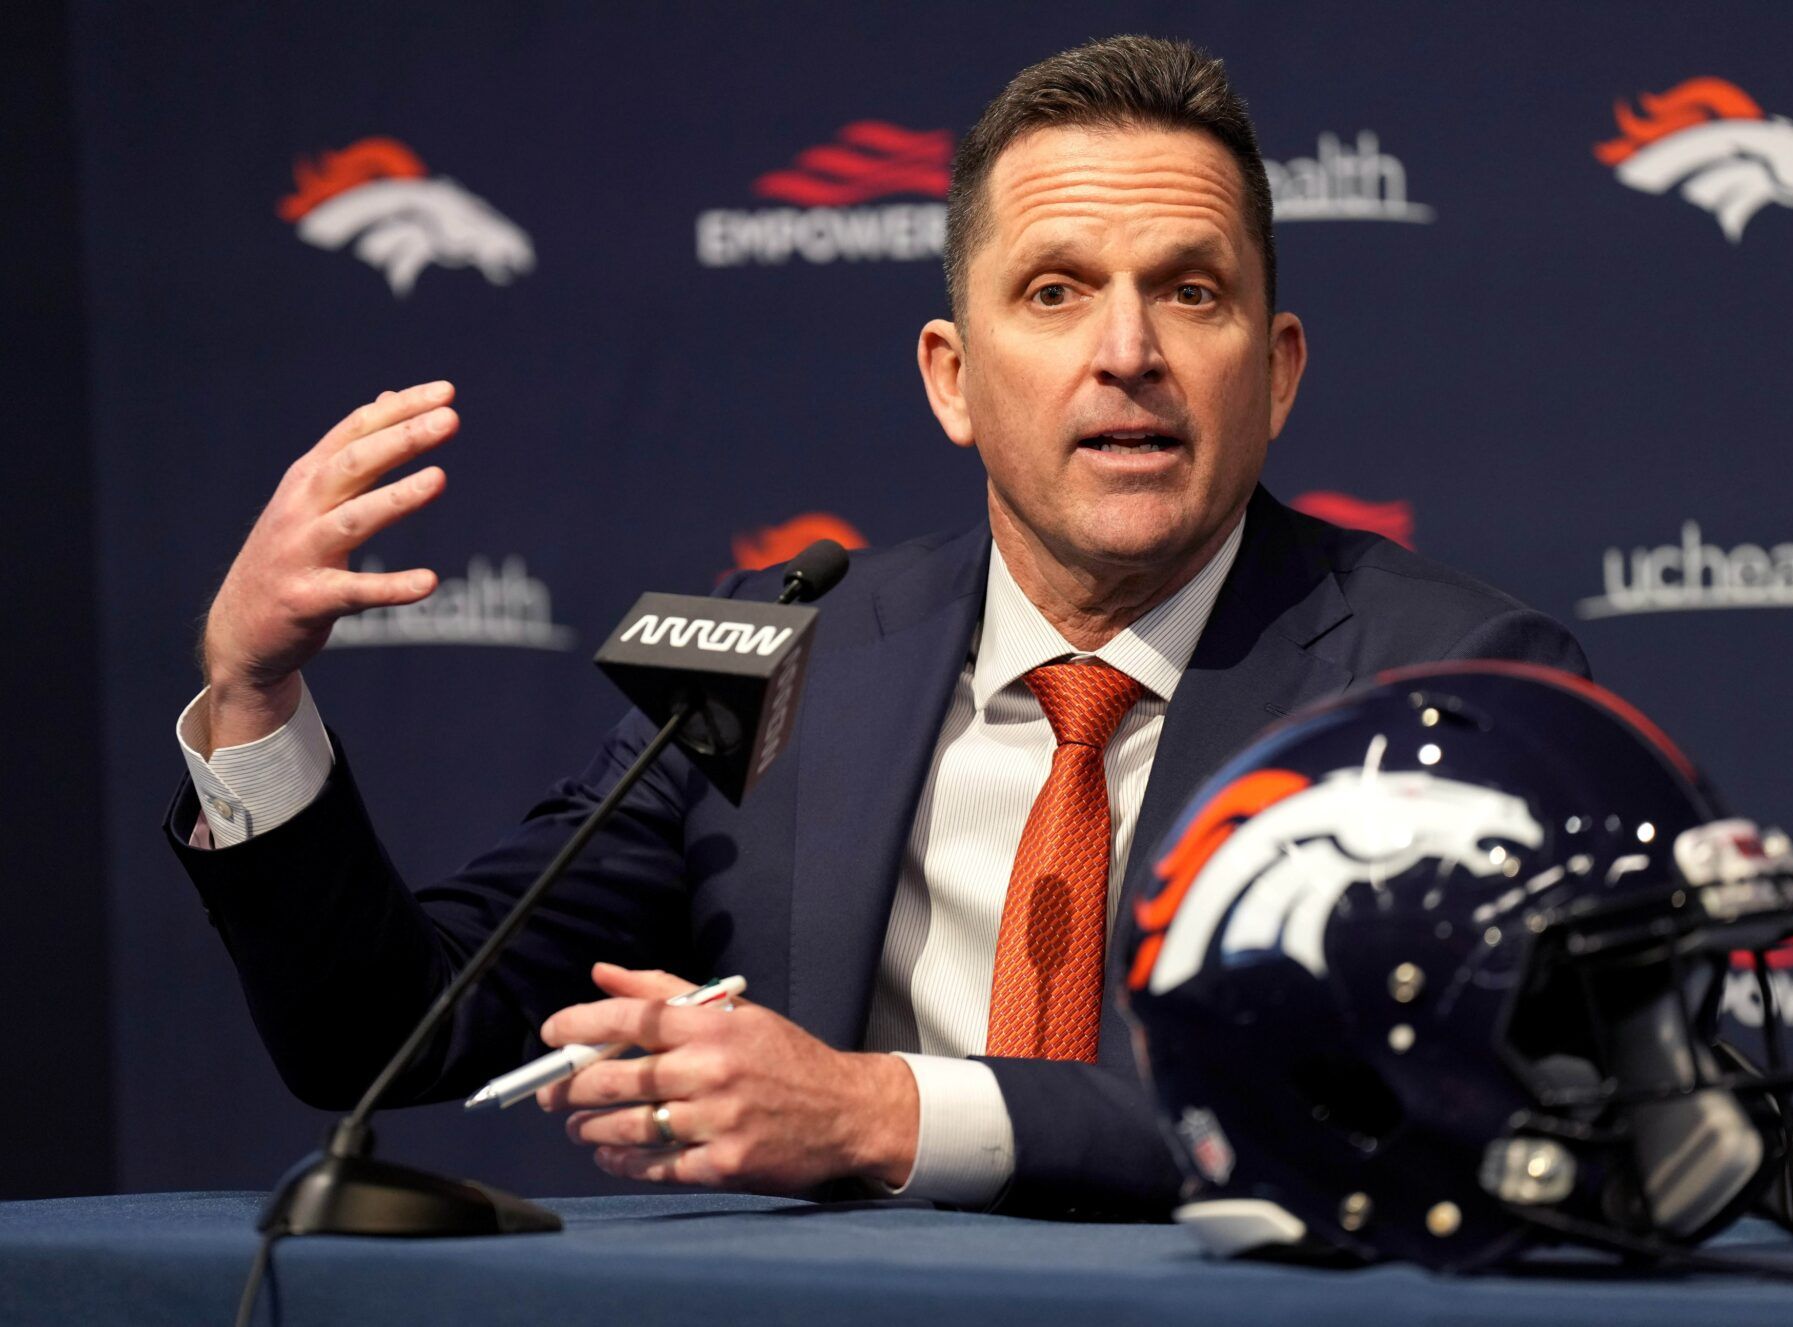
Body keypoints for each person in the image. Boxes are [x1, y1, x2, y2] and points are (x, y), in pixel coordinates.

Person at [167, 35, 1588, 1219]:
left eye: (1191, 291)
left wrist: (882, 1111)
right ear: (952, 380)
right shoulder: (774, 647)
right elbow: (404, 1026)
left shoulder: (1451, 687)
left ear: (1275, 374)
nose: (1128, 352)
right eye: (1055, 291)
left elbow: (1425, 1102)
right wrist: (253, 702)